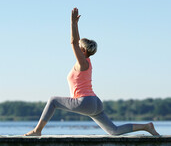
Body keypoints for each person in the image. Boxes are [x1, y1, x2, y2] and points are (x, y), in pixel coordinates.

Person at [24, 8, 159, 136]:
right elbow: (76, 44)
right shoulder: (87, 63)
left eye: (79, 48)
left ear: (83, 51)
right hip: (95, 102)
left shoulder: (83, 63)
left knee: (53, 100)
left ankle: (37, 130)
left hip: (84, 102)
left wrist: (73, 24)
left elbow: (73, 42)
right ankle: (146, 126)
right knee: (114, 131)